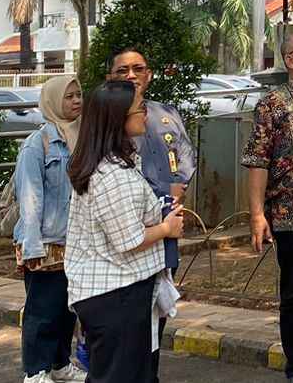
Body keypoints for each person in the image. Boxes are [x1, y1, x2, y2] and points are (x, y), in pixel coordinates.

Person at [65, 82, 185, 383]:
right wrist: (167, 228)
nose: (146, 114)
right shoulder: (112, 175)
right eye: (140, 109)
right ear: (119, 118)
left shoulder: (118, 162)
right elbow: (128, 240)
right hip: (115, 294)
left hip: (120, 290)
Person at [243, 31, 293, 383]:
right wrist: (257, 214)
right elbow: (258, 160)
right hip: (292, 218)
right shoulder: (272, 104)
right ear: (291, 59)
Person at [12, 74, 87, 383]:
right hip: (45, 241)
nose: (77, 101)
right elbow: (30, 198)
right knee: (41, 311)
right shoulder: (38, 144)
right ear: (54, 101)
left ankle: (59, 364)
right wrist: (32, 247)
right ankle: (35, 371)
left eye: (79, 94)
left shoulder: (83, 138)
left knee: (67, 309)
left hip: (76, 241)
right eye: (69, 96)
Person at [107, 48, 194, 274]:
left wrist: (178, 185)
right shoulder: (105, 119)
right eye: (122, 70)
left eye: (138, 69)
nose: (131, 75)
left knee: (166, 275)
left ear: (149, 75)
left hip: (166, 208)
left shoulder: (167, 113)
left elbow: (185, 152)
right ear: (110, 78)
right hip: (128, 213)